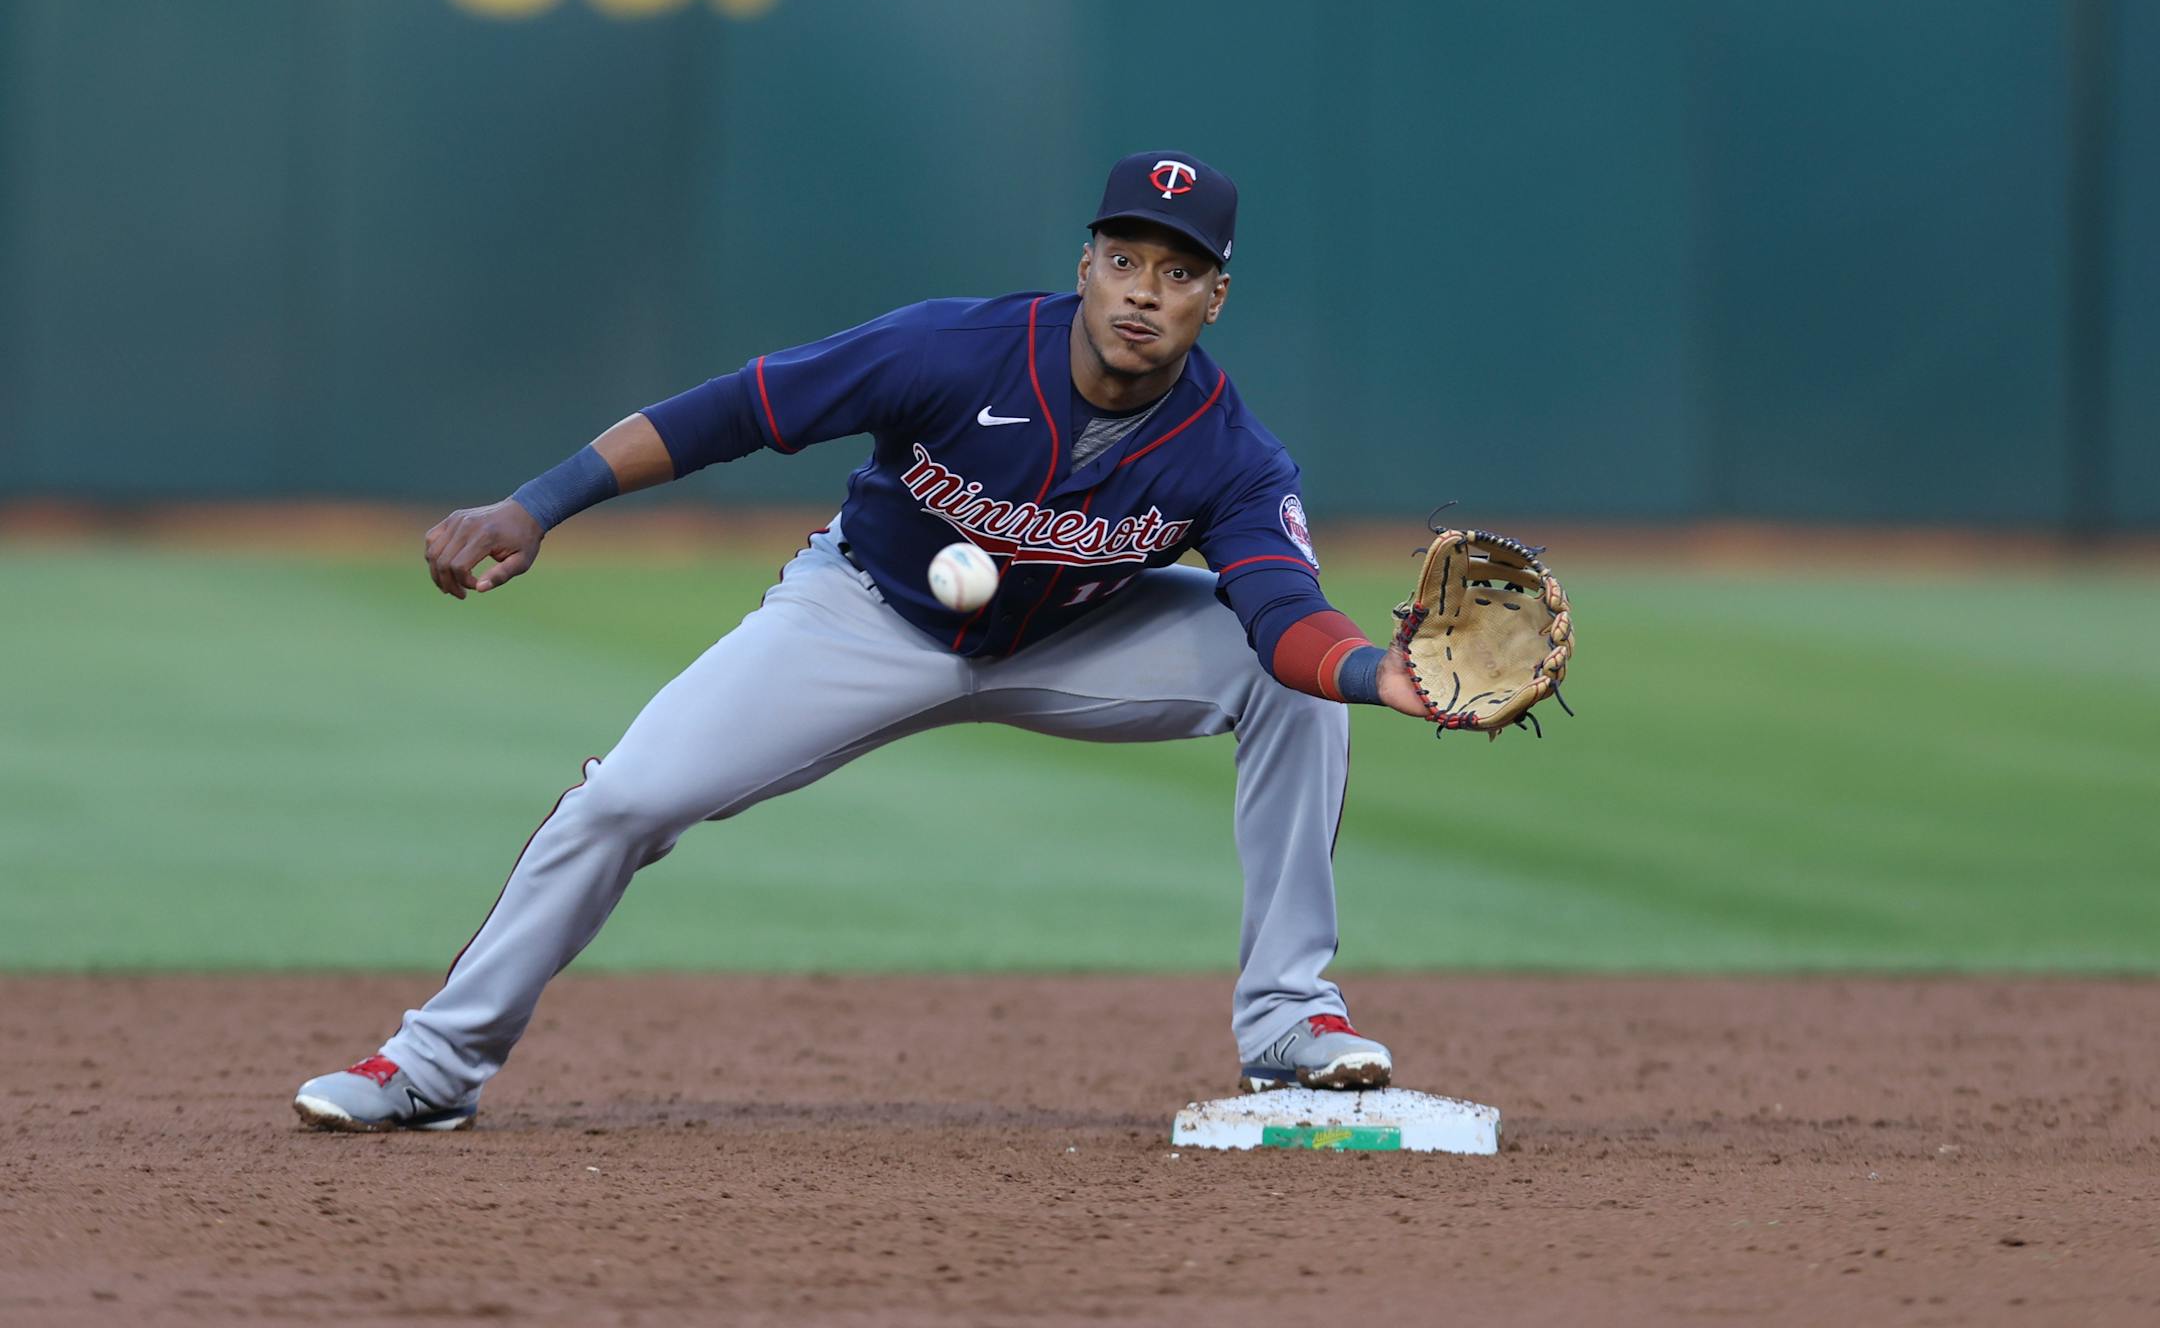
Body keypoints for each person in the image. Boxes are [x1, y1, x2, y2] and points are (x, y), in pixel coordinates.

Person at [294, 151, 1432, 1132]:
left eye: (1178, 273)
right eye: (1126, 260)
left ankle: (1289, 1019)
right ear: (1084, 264)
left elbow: (1283, 613)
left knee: (1294, 685)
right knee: (626, 800)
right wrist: (536, 503)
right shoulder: (952, 351)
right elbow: (734, 411)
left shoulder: (1232, 453)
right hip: (862, 614)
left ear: (1215, 299)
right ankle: (435, 1066)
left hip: (1074, 641)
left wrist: (1376, 672)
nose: (1145, 293)